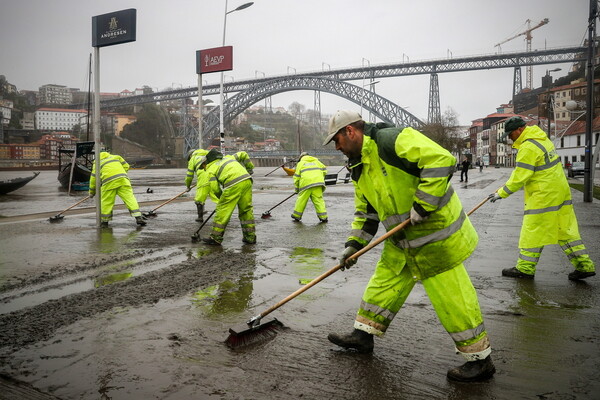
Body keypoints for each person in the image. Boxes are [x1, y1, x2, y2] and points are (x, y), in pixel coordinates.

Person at [323, 110, 495, 382]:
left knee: (452, 298)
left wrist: (423, 205)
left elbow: (441, 160)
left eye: (337, 140)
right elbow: (366, 212)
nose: (337, 147)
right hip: (401, 240)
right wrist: (353, 245)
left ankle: (479, 360)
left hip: (435, 237)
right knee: (383, 284)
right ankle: (363, 336)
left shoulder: (391, 140)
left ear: (351, 132)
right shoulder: (359, 166)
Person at [488, 116, 595, 281]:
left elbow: (520, 177)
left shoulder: (528, 147)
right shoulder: (542, 139)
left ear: (519, 130)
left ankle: (525, 268)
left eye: (510, 134)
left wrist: (500, 193)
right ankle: (584, 265)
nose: (510, 138)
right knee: (565, 229)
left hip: (543, 194)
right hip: (560, 190)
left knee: (533, 229)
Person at [195, 149, 256, 245]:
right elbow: (243, 154)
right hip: (247, 180)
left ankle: (216, 237)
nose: (204, 168)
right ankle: (250, 237)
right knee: (246, 210)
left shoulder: (211, 169)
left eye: (203, 166)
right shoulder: (229, 157)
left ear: (206, 163)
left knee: (223, 211)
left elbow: (215, 188)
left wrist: (221, 199)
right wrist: (249, 169)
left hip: (233, 184)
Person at [89, 151, 146, 228]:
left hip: (108, 183)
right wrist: (120, 174)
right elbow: (126, 166)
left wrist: (92, 192)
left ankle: (105, 222)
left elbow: (93, 179)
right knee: (130, 199)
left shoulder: (97, 163)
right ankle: (138, 217)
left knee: (106, 202)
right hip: (123, 180)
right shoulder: (116, 157)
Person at [291, 152, 329, 223]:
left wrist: (297, 189)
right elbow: (325, 171)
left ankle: (296, 216)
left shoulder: (300, 163)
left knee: (301, 200)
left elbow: (296, 177)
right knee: (319, 200)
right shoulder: (317, 161)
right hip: (318, 183)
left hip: (306, 184)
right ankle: (323, 217)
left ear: (301, 157)